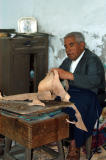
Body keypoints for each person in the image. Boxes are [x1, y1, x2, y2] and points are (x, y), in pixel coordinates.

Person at [51, 32, 105, 160]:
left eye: (71, 45)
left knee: (76, 108)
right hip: (74, 92)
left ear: (82, 45)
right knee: (54, 103)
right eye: (65, 47)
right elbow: (59, 74)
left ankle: (74, 145)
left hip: (91, 94)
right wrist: (52, 78)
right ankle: (56, 137)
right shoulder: (68, 60)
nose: (68, 50)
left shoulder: (92, 59)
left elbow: (94, 81)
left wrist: (68, 75)